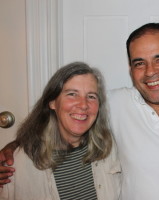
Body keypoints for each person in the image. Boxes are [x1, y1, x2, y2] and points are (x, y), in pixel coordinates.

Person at [0, 23, 159, 200]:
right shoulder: (115, 104)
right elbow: (71, 115)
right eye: (139, 63)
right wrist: (15, 147)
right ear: (131, 70)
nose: (150, 72)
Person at [0, 62, 121, 199]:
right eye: (72, 94)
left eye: (91, 96)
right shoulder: (20, 164)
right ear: (52, 102)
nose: (83, 105)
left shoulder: (109, 148)